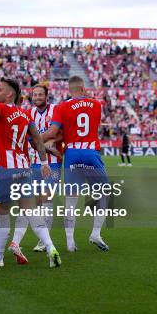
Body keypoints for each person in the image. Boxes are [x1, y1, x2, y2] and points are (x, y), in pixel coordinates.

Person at [0, 77, 62, 268]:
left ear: (10, 94)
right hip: (25, 169)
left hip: (6, 169)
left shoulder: (1, 110)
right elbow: (37, 140)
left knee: (1, 212)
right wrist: (44, 162)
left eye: (0, 89)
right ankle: (50, 246)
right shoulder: (25, 115)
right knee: (30, 210)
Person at [42, 76, 110, 252]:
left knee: (71, 200)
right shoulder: (96, 105)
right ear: (83, 88)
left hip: (71, 153)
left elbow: (54, 132)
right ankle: (95, 233)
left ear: (69, 89)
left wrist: (38, 140)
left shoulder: (62, 107)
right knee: (103, 193)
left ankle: (70, 242)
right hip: (90, 153)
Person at [8, 84, 63, 262]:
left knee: (46, 198)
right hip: (33, 163)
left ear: (47, 96)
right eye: (35, 94)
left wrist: (47, 140)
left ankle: (42, 240)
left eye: (40, 94)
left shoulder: (55, 109)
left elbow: (57, 132)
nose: (37, 97)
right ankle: (16, 242)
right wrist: (40, 143)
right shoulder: (28, 113)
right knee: (29, 202)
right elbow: (25, 137)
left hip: (52, 164)